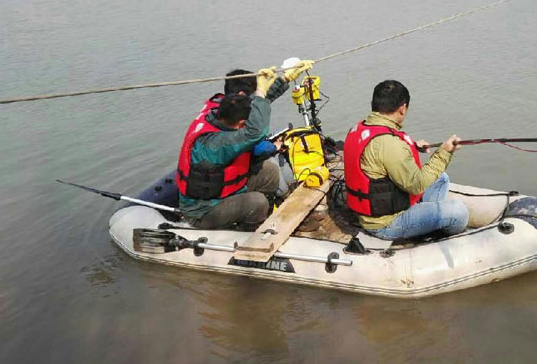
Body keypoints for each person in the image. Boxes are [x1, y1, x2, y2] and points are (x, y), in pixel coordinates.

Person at [176, 61, 312, 229]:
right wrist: (261, 91)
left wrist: (284, 79)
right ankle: (247, 231)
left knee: (269, 171)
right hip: (204, 210)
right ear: (241, 123)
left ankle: (263, 217)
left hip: (220, 191)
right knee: (258, 202)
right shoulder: (215, 143)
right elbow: (255, 132)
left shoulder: (222, 107)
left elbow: (252, 104)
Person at [343, 79, 469, 240]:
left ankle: (426, 221)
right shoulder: (390, 144)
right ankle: (433, 233)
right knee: (458, 212)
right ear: (402, 108)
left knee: (441, 179)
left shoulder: (362, 128)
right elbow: (416, 186)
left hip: (373, 207)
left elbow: (379, 157)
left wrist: (413, 147)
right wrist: (444, 152)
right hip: (385, 223)